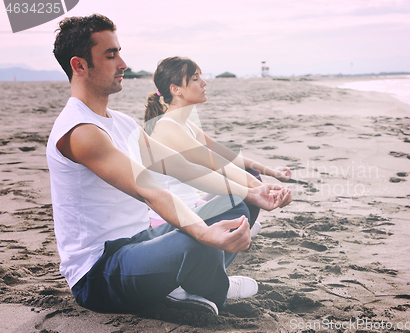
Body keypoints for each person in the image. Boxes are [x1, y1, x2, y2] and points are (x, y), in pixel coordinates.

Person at [47, 14, 290, 315]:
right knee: (199, 241)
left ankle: (190, 282)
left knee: (235, 204)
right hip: (100, 272)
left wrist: (252, 191)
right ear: (79, 65)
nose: (123, 64)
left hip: (141, 242)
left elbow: (181, 166)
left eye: (120, 53)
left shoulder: (121, 123)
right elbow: (147, 189)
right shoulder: (80, 131)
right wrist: (203, 233)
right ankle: (210, 285)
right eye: (111, 55)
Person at [144, 56, 292, 231]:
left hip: (193, 207)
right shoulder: (168, 129)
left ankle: (240, 231)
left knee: (249, 172)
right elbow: (219, 164)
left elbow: (226, 155)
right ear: (176, 89)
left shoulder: (184, 124)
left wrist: (270, 172)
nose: (204, 83)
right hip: (173, 221)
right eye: (195, 79)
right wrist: (263, 190)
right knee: (241, 199)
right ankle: (239, 234)